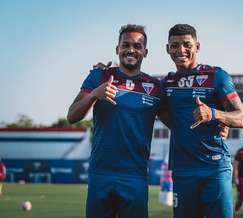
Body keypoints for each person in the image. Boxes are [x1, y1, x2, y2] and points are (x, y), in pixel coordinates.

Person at [68, 24, 229, 218]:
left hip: (135, 176)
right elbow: (72, 116)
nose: (131, 50)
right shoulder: (99, 76)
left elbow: (178, 122)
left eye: (137, 46)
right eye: (125, 45)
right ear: (117, 49)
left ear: (145, 52)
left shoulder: (155, 87)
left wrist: (217, 123)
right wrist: (94, 94)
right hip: (101, 173)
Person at [162, 24, 243, 218]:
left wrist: (214, 114)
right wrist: (109, 72)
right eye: (174, 45)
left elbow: (241, 117)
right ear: (167, 49)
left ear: (197, 46)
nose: (180, 50)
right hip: (183, 170)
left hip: (215, 168)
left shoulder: (217, 76)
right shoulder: (165, 83)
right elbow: (164, 114)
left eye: (187, 44)